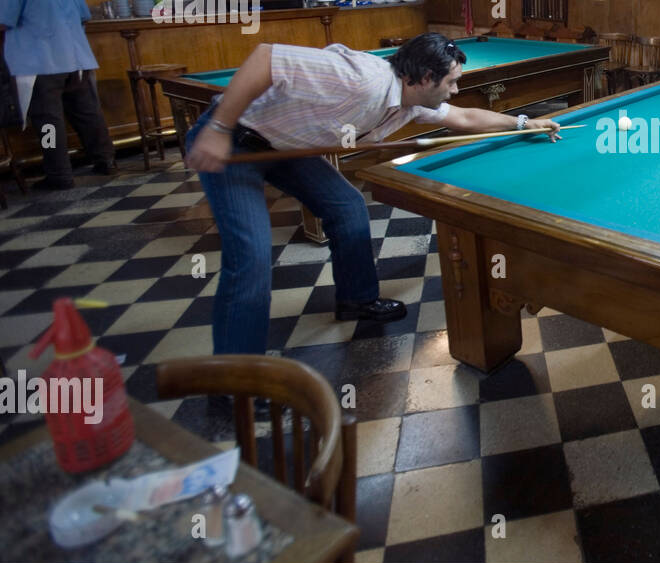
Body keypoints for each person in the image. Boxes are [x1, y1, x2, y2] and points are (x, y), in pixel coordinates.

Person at [184, 34, 561, 354]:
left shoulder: (409, 98)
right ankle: (235, 388)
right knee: (249, 261)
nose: (455, 89)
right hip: (235, 140)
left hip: (285, 146)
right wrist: (217, 128)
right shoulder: (360, 78)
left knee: (347, 208)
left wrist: (522, 124)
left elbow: (463, 117)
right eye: (451, 82)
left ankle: (356, 300)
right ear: (426, 77)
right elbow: (266, 56)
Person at [0, 0, 117, 189]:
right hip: (76, 57)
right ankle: (106, 159)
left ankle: (59, 175)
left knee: (47, 121)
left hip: (39, 61)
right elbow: (84, 15)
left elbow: (3, 20)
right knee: (87, 113)